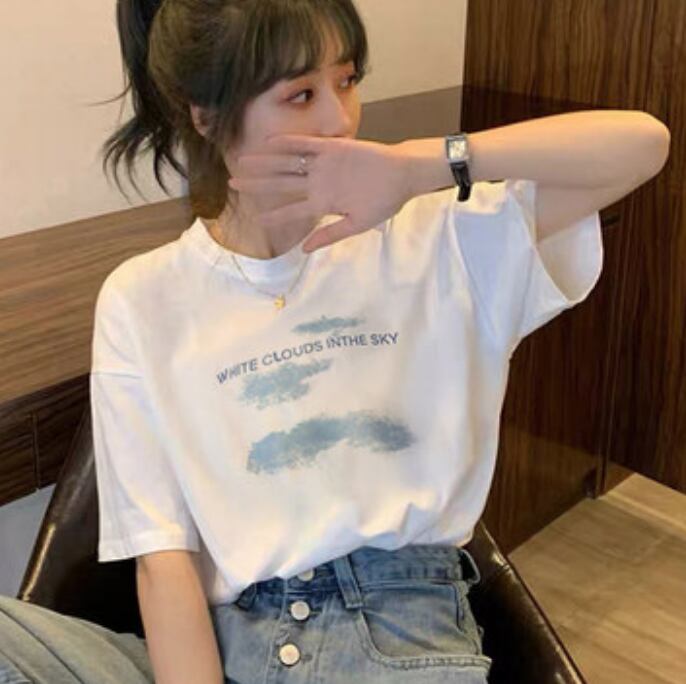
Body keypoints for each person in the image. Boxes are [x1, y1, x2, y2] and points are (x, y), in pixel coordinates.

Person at [0, 0, 670, 682]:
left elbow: (643, 144)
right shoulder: (143, 298)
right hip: (225, 650)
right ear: (205, 115)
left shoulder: (436, 239)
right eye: (301, 94)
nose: (338, 120)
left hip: (392, 637)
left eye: (347, 81)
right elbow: (164, 561)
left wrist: (419, 166)